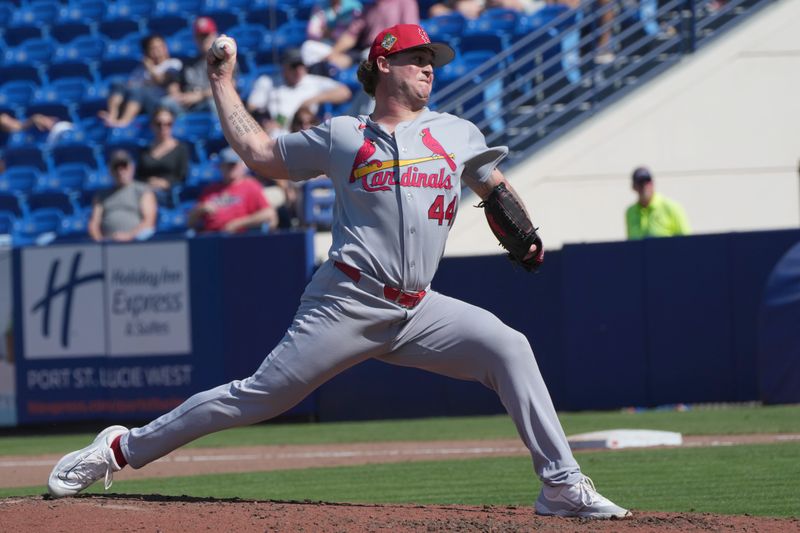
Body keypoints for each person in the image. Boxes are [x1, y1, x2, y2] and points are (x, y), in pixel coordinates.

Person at [47, 24, 630, 520]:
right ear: (383, 64)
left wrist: (523, 229)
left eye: (433, 60)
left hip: (419, 307)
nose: (429, 67)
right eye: (417, 57)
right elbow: (258, 153)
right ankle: (121, 449)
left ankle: (560, 486)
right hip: (346, 301)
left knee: (510, 347)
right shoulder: (343, 135)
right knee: (258, 398)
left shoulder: (458, 133)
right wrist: (222, 83)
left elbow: (493, 187)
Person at [246, 48, 352, 138]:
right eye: (294, 66)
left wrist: (312, 100)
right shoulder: (268, 81)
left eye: (301, 65)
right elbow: (252, 106)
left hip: (303, 130)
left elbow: (344, 92)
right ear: (284, 67)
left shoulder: (313, 81)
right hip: (274, 132)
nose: (298, 70)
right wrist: (264, 121)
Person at [98, 34, 183, 128]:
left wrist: (149, 67)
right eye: (154, 48)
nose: (158, 50)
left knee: (139, 90)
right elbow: (131, 84)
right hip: (139, 103)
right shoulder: (140, 69)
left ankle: (124, 122)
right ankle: (112, 116)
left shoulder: (172, 63)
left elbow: (161, 81)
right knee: (118, 83)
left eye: (161, 46)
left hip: (159, 103)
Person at [186, 147, 277, 233]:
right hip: (212, 237)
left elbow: (269, 214)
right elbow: (190, 222)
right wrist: (200, 209)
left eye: (233, 165)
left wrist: (238, 223)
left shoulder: (250, 186)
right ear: (221, 167)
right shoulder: (211, 189)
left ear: (241, 166)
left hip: (239, 238)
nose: (231, 169)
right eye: (227, 165)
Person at [325, 0, 419, 70]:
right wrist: (334, 52)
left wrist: (380, 50)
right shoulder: (369, 7)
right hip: (364, 50)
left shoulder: (406, 2)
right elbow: (351, 35)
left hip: (389, 51)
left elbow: (407, 31)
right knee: (332, 63)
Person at [87, 150, 158, 242]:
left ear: (132, 167)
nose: (120, 171)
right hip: (108, 244)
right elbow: (94, 223)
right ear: (111, 170)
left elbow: (148, 222)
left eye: (124, 166)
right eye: (116, 167)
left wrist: (129, 236)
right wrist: (100, 242)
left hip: (137, 243)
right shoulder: (101, 195)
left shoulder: (143, 191)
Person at [135, 107, 190, 204]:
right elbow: (138, 175)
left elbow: (183, 175)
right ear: (152, 125)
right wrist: (149, 182)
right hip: (145, 190)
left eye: (168, 124)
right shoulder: (144, 150)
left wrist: (166, 183)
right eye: (158, 124)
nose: (163, 128)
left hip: (169, 194)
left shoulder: (181, 149)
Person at [164, 17, 218, 114]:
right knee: (166, 102)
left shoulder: (223, 60)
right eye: (200, 36)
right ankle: (181, 127)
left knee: (213, 103)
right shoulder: (188, 63)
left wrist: (200, 95)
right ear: (195, 39)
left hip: (207, 101)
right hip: (188, 104)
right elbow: (175, 82)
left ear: (214, 36)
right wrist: (176, 94)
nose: (203, 40)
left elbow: (230, 86)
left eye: (206, 35)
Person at [625, 166, 691, 239]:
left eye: (647, 181)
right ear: (633, 187)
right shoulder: (630, 212)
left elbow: (686, 241)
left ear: (653, 183)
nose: (644, 186)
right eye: (640, 182)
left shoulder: (671, 207)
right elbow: (630, 243)